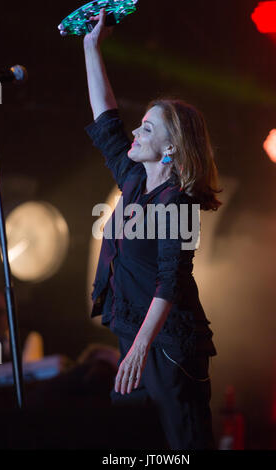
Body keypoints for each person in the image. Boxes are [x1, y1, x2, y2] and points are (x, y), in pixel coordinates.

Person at [83, 9, 223, 450]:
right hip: (135, 338)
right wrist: (92, 46)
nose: (135, 132)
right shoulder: (133, 180)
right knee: (129, 443)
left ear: (171, 147)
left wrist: (143, 346)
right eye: (139, 125)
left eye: (148, 128)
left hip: (167, 346)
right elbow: (107, 120)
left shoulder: (176, 201)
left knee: (181, 447)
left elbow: (171, 279)